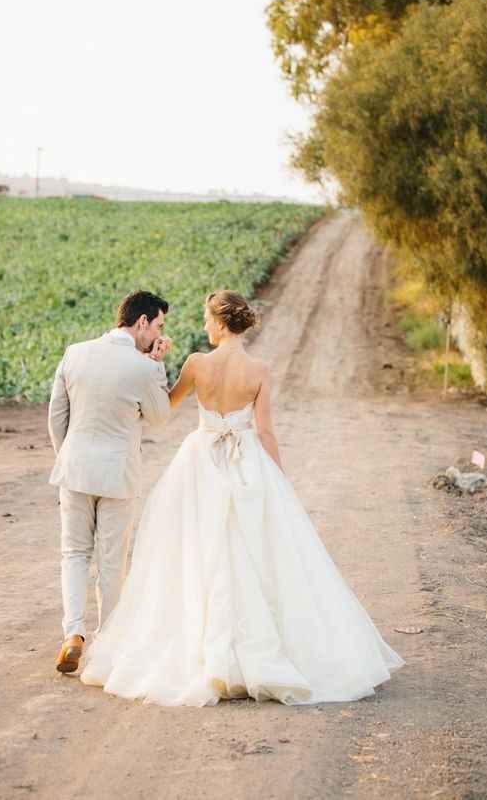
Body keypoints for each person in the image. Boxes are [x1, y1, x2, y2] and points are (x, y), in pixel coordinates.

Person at [80, 290, 404, 705]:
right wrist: (278, 478)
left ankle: (202, 651)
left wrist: (153, 365)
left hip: (200, 460)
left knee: (198, 552)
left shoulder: (197, 363)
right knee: (257, 550)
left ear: (219, 323)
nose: (203, 327)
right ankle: (257, 651)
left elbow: (164, 408)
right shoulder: (260, 369)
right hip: (247, 461)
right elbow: (266, 431)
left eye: (205, 319)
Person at [48, 290, 172, 674]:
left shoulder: (75, 352)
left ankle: (73, 633)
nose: (159, 335)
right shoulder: (143, 367)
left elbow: (56, 416)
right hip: (119, 474)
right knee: (111, 561)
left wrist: (67, 457)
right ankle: (107, 642)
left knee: (73, 553)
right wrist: (157, 366)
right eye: (159, 326)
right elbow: (160, 417)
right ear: (141, 323)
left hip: (75, 468)